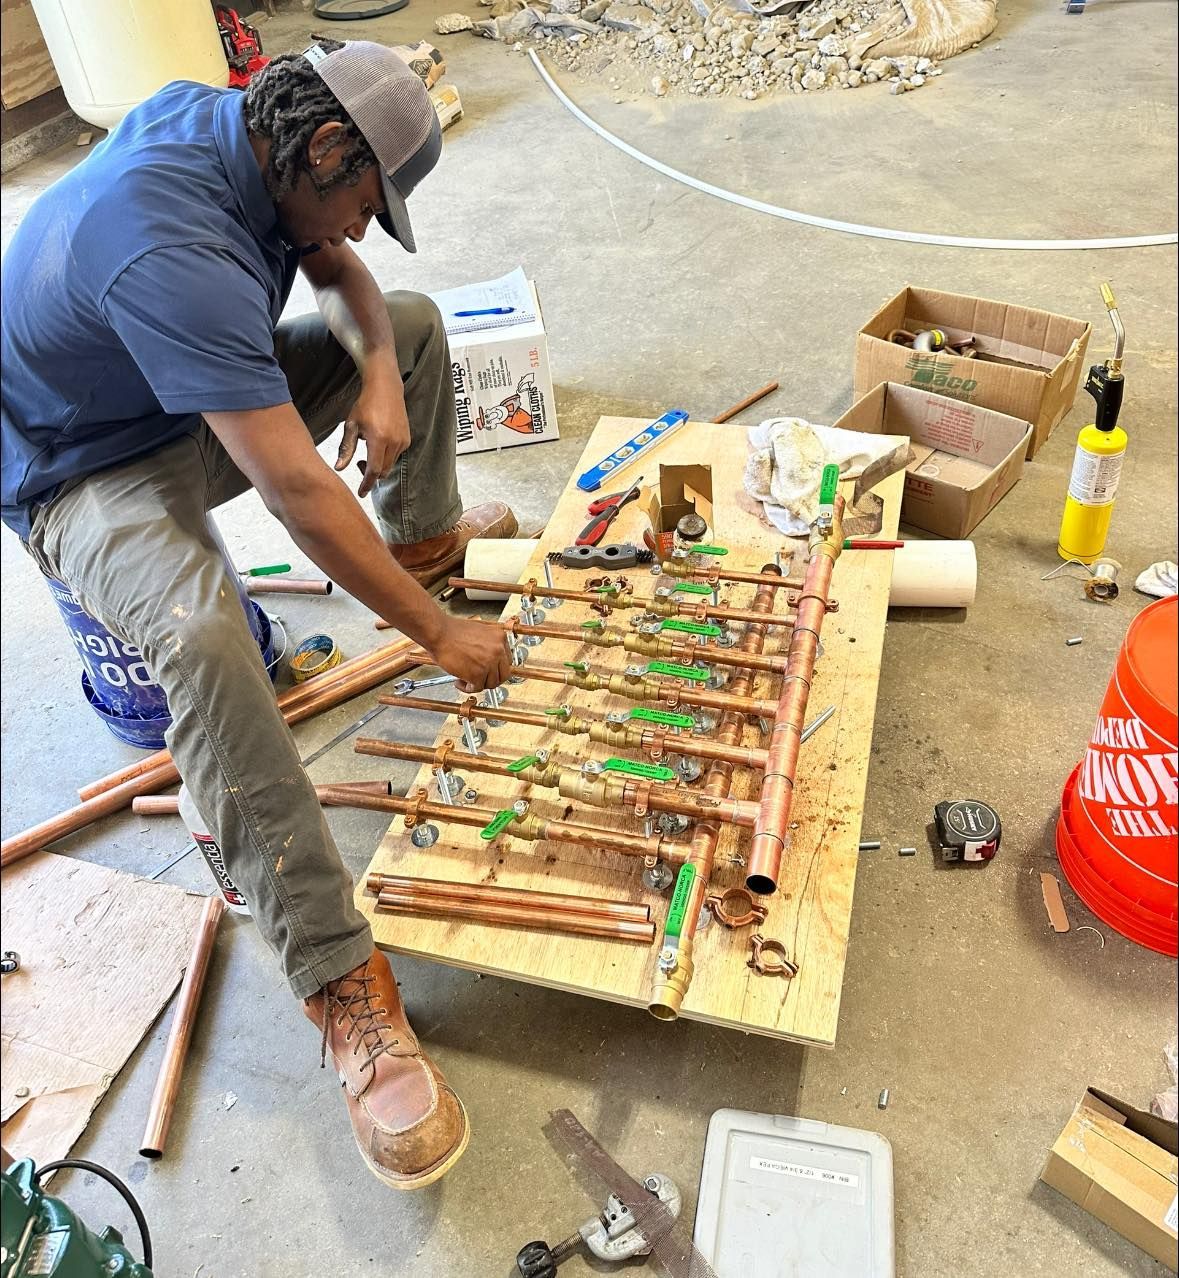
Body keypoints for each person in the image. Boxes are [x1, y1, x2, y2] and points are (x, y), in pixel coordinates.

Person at [0, 39, 517, 1189]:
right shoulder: (168, 241)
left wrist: (378, 365)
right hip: (81, 467)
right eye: (371, 201)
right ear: (326, 151)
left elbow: (342, 273)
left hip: (168, 399)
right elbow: (296, 496)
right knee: (199, 629)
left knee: (420, 324)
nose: (367, 228)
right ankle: (340, 983)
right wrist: (437, 644)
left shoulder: (253, 131)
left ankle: (423, 544)